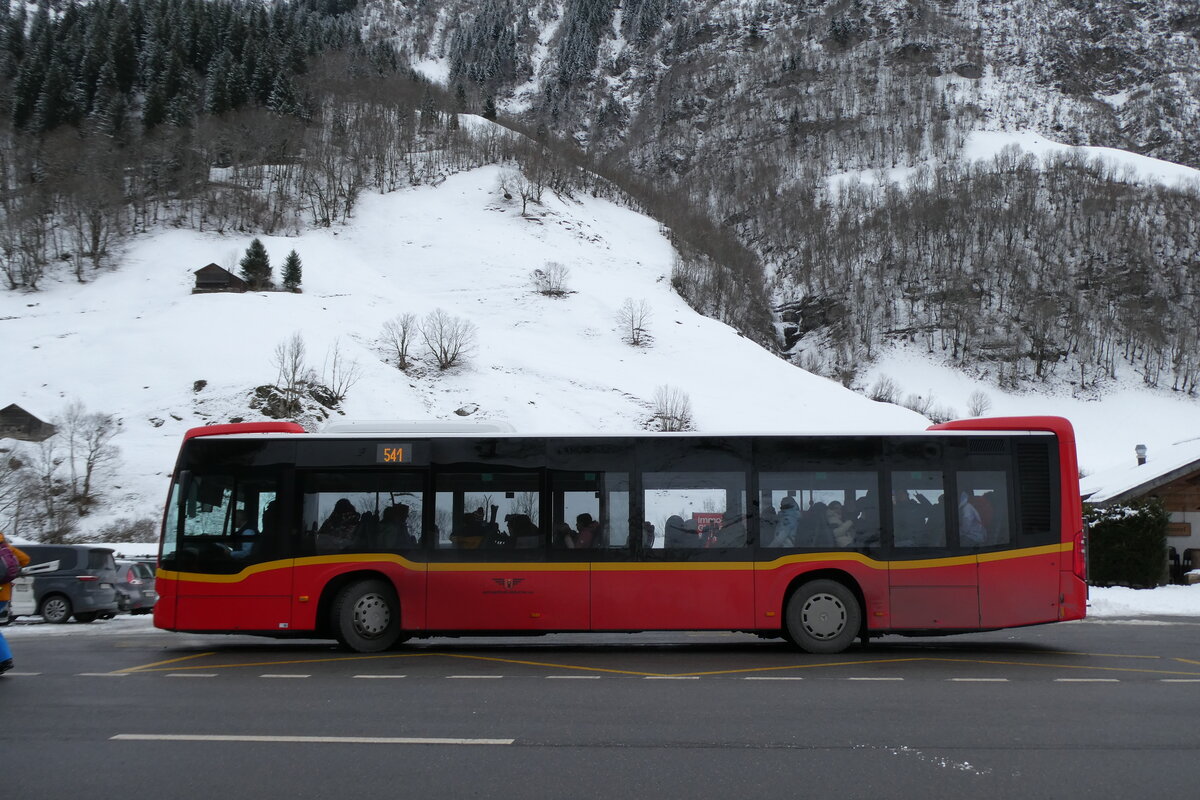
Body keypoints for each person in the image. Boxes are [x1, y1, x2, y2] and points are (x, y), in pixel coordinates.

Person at [0, 532, 31, 676]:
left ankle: (4, 660)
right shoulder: (6, 547)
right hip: (4, 594)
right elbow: (25, 559)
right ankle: (4, 659)